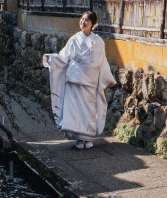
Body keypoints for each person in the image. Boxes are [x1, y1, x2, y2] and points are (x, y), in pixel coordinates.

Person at [43, 11, 116, 149]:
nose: (83, 22)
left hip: (90, 80)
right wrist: (51, 58)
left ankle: (87, 138)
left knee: (89, 111)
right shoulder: (74, 39)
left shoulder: (98, 41)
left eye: (86, 20)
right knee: (74, 110)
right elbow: (63, 57)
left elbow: (102, 62)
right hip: (74, 78)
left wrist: (108, 79)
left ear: (92, 24)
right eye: (82, 19)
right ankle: (78, 139)